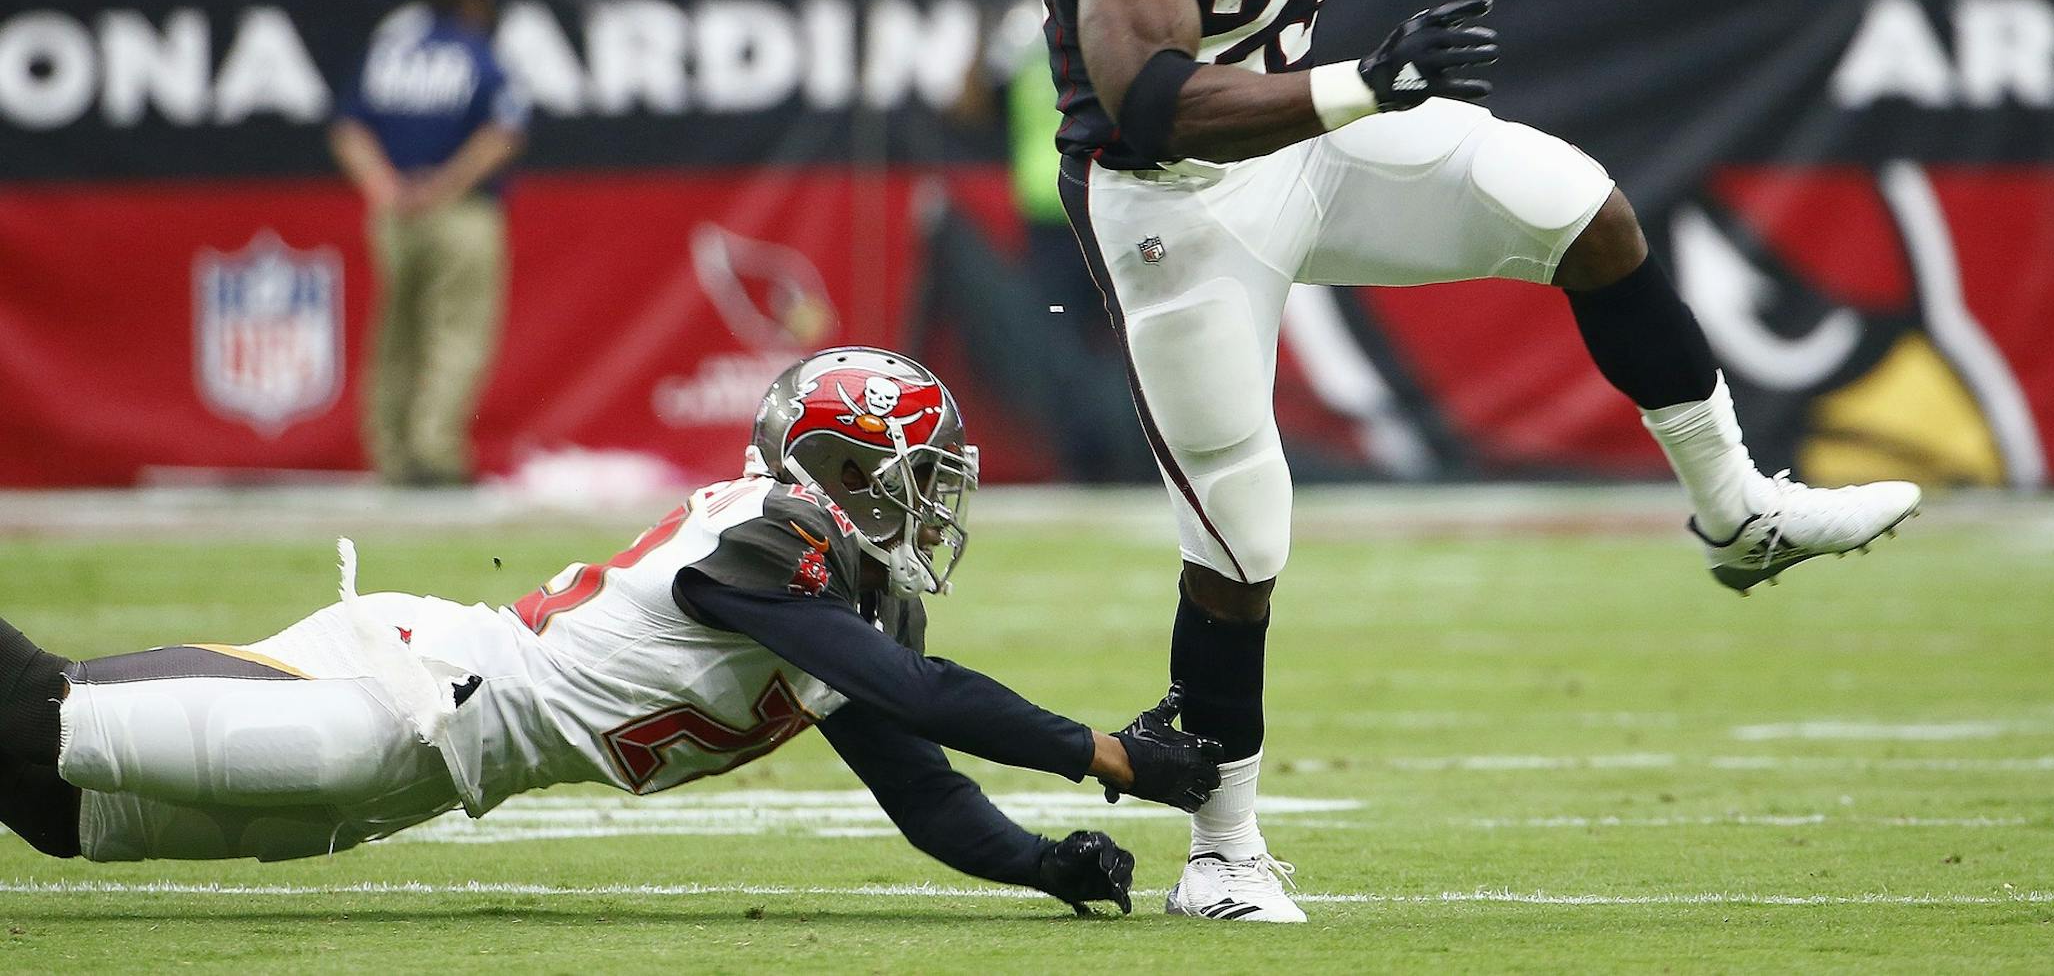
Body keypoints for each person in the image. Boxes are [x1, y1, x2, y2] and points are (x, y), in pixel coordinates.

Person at [1036, 0, 1921, 923]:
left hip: (1310, 136)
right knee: (1242, 529)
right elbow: (1153, 100)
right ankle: (1222, 852)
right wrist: (1359, 87)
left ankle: (1737, 511)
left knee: (1583, 207)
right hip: (1174, 198)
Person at [0, 347, 1221, 917]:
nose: (935, 502)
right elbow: (915, 686)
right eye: (914, 475)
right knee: (51, 723)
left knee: (61, 817)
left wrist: (1041, 865)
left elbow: (925, 789)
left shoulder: (843, 599)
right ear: (840, 470)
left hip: (431, 778)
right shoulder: (766, 534)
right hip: (406, 692)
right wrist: (1105, 755)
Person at [328, 0, 525, 487]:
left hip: (394, 216)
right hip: (459, 212)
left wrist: (383, 185)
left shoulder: (389, 53)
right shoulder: (478, 54)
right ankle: (435, 453)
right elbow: (502, 134)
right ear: (474, 3)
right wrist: (443, 186)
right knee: (456, 333)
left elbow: (348, 127)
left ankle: (391, 453)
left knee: (396, 334)